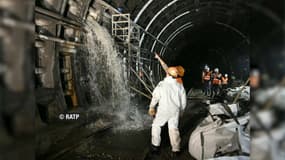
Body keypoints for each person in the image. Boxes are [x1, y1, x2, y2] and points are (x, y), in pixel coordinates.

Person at [148, 67, 187, 155]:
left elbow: (155, 97)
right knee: (173, 128)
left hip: (164, 110)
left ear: (168, 74)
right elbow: (183, 101)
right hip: (175, 110)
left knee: (156, 125)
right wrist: (181, 111)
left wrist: (151, 107)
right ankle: (176, 149)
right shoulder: (179, 85)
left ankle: (155, 146)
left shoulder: (162, 84)